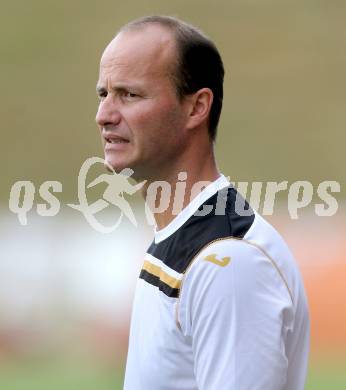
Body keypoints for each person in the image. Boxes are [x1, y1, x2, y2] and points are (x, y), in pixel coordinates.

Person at [95, 15, 310, 390]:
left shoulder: (228, 262)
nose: (104, 116)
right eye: (104, 94)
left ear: (197, 108)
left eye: (129, 95)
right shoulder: (182, 236)